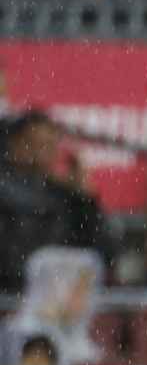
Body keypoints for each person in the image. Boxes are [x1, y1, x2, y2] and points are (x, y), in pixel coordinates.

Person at [0, 112, 110, 291]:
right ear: (15, 145)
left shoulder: (65, 194)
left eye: (51, 145)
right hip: (13, 293)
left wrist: (84, 198)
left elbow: (102, 250)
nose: (44, 152)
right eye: (37, 144)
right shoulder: (8, 189)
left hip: (57, 297)